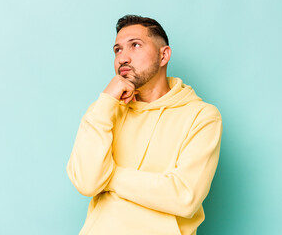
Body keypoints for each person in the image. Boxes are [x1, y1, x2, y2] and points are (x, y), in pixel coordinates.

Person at [66, 14, 223, 235]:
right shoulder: (103, 110)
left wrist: (109, 175)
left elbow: (184, 196)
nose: (123, 58)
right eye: (117, 50)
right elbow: (87, 183)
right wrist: (105, 102)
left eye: (135, 46)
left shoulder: (201, 116)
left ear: (164, 55)